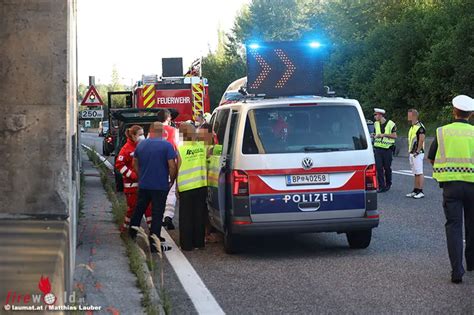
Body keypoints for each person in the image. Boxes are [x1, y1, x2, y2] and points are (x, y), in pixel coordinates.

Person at [428, 94, 474, 284]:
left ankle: (457, 271)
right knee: (472, 226)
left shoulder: (442, 132)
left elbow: (431, 157)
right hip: (473, 186)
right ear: (471, 114)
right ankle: (471, 263)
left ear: (454, 111)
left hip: (451, 187)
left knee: (454, 227)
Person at [129, 122, 177, 252]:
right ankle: (154, 244)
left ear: (150, 131)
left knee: (139, 210)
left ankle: (131, 235)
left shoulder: (141, 145)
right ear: (162, 132)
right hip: (160, 186)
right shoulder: (167, 146)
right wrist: (171, 181)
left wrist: (141, 176)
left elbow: (135, 163)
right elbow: (172, 166)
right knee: (157, 214)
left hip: (144, 185)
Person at [115, 125, 152, 231]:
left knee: (149, 208)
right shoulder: (126, 148)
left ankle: (153, 232)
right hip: (132, 186)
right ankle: (126, 231)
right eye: (140, 135)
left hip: (144, 183)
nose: (142, 137)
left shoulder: (144, 146)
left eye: (143, 134)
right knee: (132, 209)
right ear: (133, 136)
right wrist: (133, 175)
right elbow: (119, 165)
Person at [177, 123, 208, 251]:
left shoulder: (180, 149)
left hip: (185, 187)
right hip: (201, 185)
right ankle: (199, 243)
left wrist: (174, 185)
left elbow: (177, 167)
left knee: (186, 217)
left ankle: (187, 245)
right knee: (199, 215)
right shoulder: (202, 146)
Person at [157, 109, 179, 230]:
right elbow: (179, 147)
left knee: (159, 192)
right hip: (171, 163)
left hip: (157, 165)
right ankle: (168, 217)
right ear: (169, 118)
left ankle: (159, 217)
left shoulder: (153, 131)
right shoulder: (174, 131)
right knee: (171, 192)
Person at [373, 108, 397, 192]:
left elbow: (394, 136)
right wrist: (374, 135)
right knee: (379, 168)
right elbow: (377, 134)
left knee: (387, 167)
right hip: (378, 149)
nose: (375, 116)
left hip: (387, 150)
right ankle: (381, 186)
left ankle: (388, 184)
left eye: (376, 115)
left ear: (380, 115)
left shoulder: (391, 124)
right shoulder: (376, 124)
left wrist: (383, 135)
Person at [406, 109, 426, 199]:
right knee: (415, 172)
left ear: (414, 115)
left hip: (417, 153)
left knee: (419, 172)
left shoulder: (420, 127)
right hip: (412, 152)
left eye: (409, 114)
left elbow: (421, 140)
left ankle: (421, 191)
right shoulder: (412, 126)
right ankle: (415, 190)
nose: (407, 116)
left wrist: (417, 151)